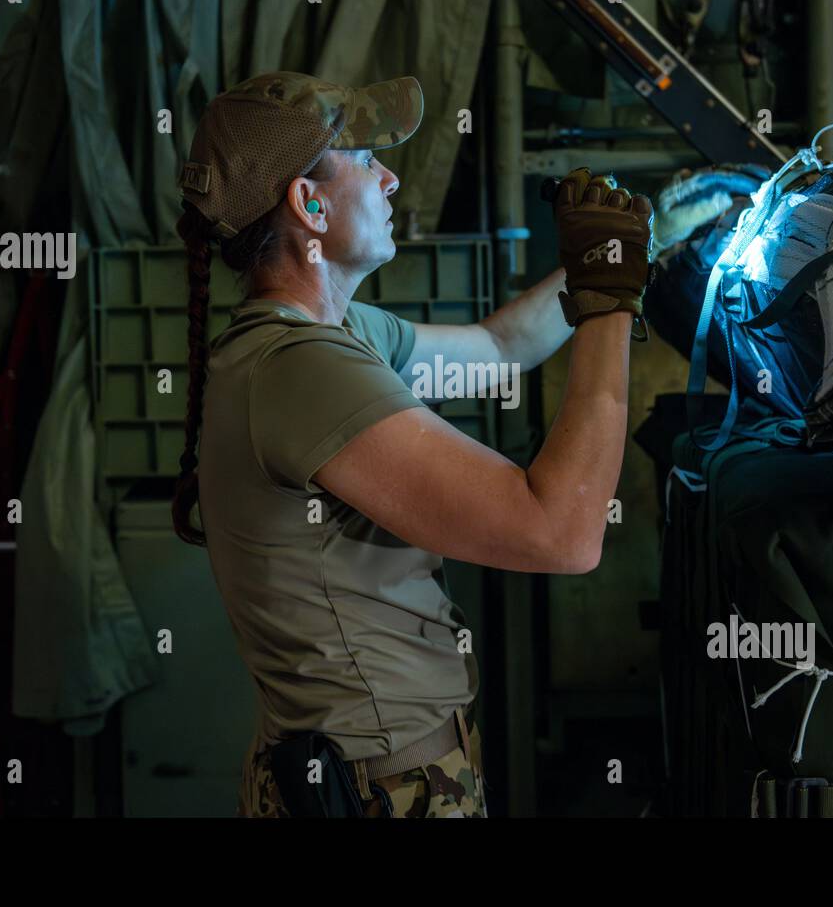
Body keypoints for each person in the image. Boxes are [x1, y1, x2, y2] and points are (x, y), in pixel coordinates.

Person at [171, 70, 653, 817]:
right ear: (309, 203)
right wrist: (610, 303)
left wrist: (610, 259)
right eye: (367, 158)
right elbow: (563, 531)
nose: (391, 177)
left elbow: (497, 350)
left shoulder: (332, 337)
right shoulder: (303, 371)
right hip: (378, 791)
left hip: (371, 777)